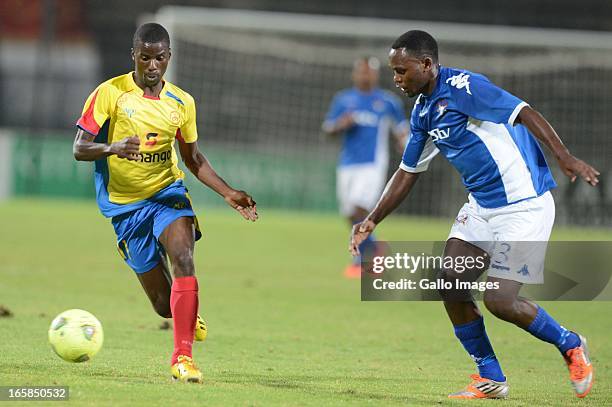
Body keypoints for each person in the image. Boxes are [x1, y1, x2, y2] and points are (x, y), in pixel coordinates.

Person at [350, 30, 599, 399]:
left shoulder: (466, 87)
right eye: (394, 71)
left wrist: (562, 155)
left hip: (524, 205)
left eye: (402, 71)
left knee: (500, 301)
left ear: (427, 65)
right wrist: (373, 218)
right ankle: (491, 377)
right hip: (482, 207)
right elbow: (408, 171)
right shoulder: (422, 111)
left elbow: (523, 111)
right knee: (450, 283)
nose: (397, 79)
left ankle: (570, 344)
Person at [73, 23, 258, 383]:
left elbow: (193, 159)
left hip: (167, 193)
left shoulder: (182, 102)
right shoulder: (110, 93)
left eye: (159, 58)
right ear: (134, 57)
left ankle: (182, 358)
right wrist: (112, 147)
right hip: (125, 207)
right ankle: (185, 312)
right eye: (145, 58)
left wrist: (228, 192)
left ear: (169, 57)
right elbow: (79, 147)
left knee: (184, 258)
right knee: (162, 304)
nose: (152, 66)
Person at [322, 56, 408, 278]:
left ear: (376, 75)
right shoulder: (343, 100)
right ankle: (376, 248)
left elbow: (401, 129)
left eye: (369, 72)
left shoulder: (387, 102)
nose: (365, 75)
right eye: (361, 71)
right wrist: (342, 124)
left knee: (361, 207)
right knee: (349, 212)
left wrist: (404, 142)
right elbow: (328, 129)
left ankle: (361, 258)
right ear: (355, 74)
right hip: (347, 164)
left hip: (373, 164)